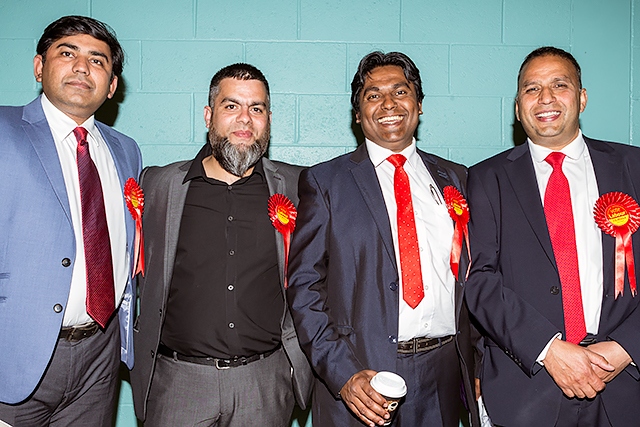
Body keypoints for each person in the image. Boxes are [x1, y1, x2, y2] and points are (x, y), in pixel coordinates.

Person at [287, 51, 480, 427]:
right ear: (357, 114)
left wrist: (479, 362)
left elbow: (476, 279)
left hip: (444, 375)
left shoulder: (456, 178)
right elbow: (304, 288)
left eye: (400, 91)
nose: (389, 103)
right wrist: (343, 374)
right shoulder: (325, 183)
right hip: (362, 378)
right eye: (373, 95)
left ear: (419, 105)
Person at [129, 63, 313, 426]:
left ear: (269, 119)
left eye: (256, 109)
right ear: (209, 115)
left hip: (264, 384)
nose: (245, 119)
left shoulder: (298, 187)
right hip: (178, 384)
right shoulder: (158, 185)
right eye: (231, 107)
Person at [465, 46, 640, 426]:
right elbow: (478, 281)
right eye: (531, 89)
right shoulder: (484, 179)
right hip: (528, 389)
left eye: (560, 85)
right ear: (517, 107)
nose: (545, 97)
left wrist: (628, 346)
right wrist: (548, 350)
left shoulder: (634, 167)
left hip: (626, 384)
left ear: (582, 98)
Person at [0, 15, 142, 427]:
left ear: (112, 86)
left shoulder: (126, 151)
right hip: (15, 356)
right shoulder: (4, 131)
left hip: (100, 358)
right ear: (39, 67)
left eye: (98, 61)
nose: (82, 67)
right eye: (67, 53)